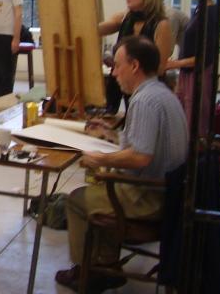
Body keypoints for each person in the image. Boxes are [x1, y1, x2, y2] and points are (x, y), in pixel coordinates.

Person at [55, 36, 187, 292]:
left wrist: (100, 158)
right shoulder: (161, 93)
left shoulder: (143, 101)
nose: (113, 72)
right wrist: (111, 134)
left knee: (77, 200)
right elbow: (144, 142)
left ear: (135, 66)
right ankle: (107, 265)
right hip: (171, 192)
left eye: (117, 65)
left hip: (150, 197)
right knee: (100, 192)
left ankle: (88, 273)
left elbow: (141, 157)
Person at [98, 0, 172, 114]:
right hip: (124, 85)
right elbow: (97, 29)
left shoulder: (162, 25)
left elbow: (160, 68)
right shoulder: (125, 18)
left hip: (147, 92)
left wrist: (129, 68)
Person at [165, 0, 219, 133]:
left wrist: (174, 64)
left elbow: (205, 56)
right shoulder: (199, 10)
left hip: (198, 75)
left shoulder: (210, 13)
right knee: (183, 120)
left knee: (193, 124)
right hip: (188, 73)